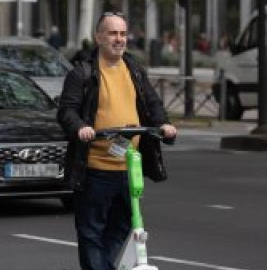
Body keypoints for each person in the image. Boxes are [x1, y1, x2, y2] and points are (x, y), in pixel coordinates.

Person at [57, 12, 177, 270]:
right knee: (91, 232)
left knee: (123, 226)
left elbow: (152, 104)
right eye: (113, 33)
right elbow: (66, 111)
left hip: (128, 166)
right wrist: (81, 127)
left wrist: (164, 124)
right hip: (94, 168)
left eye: (123, 33)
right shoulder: (83, 73)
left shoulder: (134, 70)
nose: (119, 39)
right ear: (99, 37)